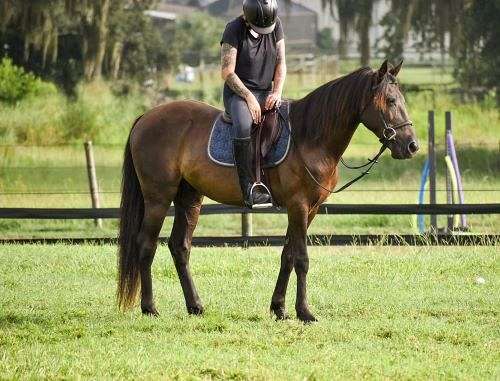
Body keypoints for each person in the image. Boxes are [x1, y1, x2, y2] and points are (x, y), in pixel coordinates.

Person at [220, 0, 286, 209]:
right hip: (238, 94)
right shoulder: (233, 29)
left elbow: (281, 62)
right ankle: (248, 187)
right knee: (243, 125)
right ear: (247, 17)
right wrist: (248, 97)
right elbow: (227, 72)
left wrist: (276, 92)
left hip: (267, 92)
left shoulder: (275, 25)